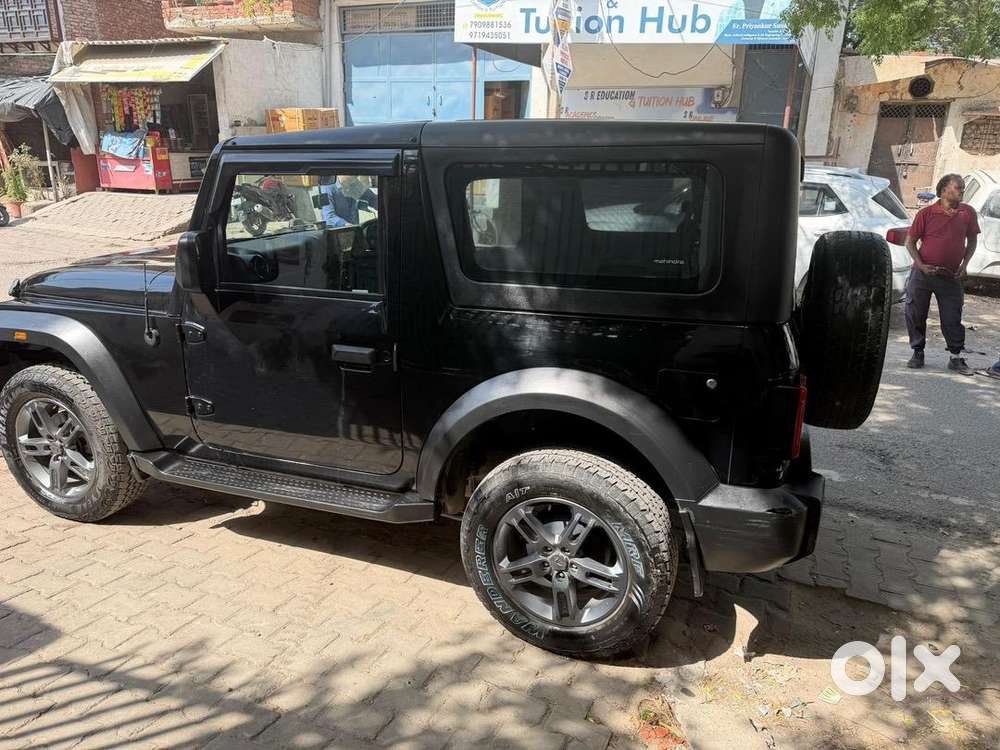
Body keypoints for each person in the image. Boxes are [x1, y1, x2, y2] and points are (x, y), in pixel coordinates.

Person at [904, 174, 979, 375]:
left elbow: (972, 241)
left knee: (952, 316)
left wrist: (965, 265)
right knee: (915, 313)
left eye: (962, 188)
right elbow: (910, 242)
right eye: (958, 187)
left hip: (951, 276)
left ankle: (955, 357)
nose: (962, 191)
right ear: (944, 190)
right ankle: (917, 352)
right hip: (923, 274)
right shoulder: (926, 213)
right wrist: (921, 265)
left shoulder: (968, 213)